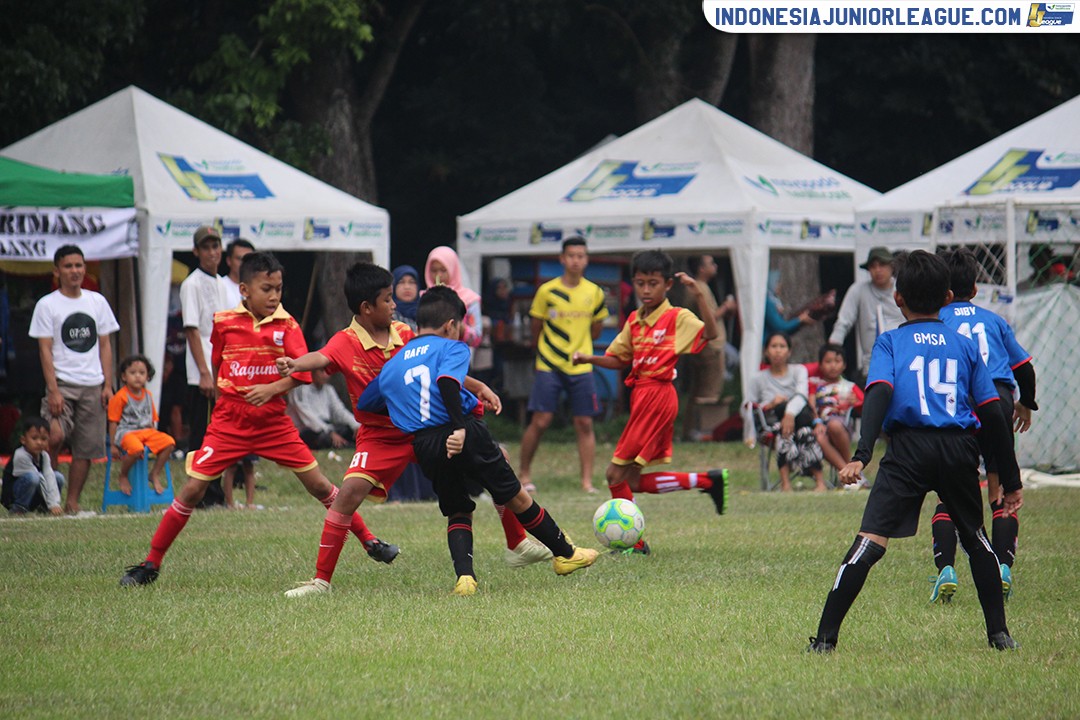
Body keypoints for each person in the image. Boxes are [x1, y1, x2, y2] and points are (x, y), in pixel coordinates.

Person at [119, 252, 394, 587]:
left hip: (274, 425)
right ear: (245, 290)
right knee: (192, 489)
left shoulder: (288, 325)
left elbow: (302, 374)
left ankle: (369, 541)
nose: (275, 295)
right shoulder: (223, 322)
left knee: (321, 486)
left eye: (278, 288)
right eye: (267, 288)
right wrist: (223, 405)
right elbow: (221, 365)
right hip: (229, 424)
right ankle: (151, 563)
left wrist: (271, 389)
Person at [281, 263, 548, 598]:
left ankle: (517, 543)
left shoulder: (404, 334)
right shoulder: (345, 342)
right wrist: (294, 363)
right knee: (348, 494)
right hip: (379, 436)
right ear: (366, 308)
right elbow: (319, 358)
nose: (394, 305)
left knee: (498, 458)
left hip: (424, 429)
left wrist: (478, 385)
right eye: (388, 299)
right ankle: (321, 581)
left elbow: (440, 368)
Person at [808, 249, 1023, 654]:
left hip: (907, 450)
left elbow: (879, 393)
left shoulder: (890, 343)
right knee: (976, 540)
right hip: (958, 449)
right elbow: (995, 413)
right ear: (947, 296)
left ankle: (824, 640)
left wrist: (862, 453)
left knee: (869, 542)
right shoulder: (963, 345)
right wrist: (1010, 480)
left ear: (897, 298)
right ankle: (999, 635)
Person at [358, 286, 599, 595]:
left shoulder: (393, 364)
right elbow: (447, 380)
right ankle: (566, 555)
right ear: (451, 325)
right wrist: (458, 427)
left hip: (425, 444)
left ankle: (465, 579)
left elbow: (366, 403)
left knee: (458, 509)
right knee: (515, 496)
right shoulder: (452, 348)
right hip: (464, 433)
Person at [572, 250, 730, 554]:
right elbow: (620, 360)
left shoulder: (676, 317)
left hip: (657, 397)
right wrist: (588, 358)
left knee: (613, 475)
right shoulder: (634, 320)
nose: (646, 290)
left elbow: (710, 333)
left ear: (668, 285)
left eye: (653, 283)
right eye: (641, 283)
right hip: (642, 397)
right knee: (633, 481)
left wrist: (698, 294)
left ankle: (634, 543)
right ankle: (707, 480)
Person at [927, 248, 1037, 603]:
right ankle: (1002, 567)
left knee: (950, 492)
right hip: (1000, 402)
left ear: (941, 289)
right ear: (975, 288)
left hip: (959, 406)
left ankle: (946, 568)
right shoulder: (993, 320)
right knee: (1001, 488)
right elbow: (1024, 369)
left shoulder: (934, 323)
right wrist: (1026, 402)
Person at [30, 244, 118, 514]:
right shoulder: (47, 304)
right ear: (57, 271)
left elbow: (105, 345)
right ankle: (50, 495)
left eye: (79, 265)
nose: (75, 271)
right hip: (63, 383)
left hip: (93, 384)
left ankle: (72, 502)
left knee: (86, 447)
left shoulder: (97, 301)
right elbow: (45, 349)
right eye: (68, 266)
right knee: (53, 436)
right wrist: (53, 389)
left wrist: (108, 384)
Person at [519, 237, 608, 494]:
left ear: (587, 259)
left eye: (581, 256)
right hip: (549, 364)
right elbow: (536, 326)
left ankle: (587, 482)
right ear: (562, 259)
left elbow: (596, 329)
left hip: (582, 366)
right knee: (541, 420)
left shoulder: (595, 292)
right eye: (571, 255)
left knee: (585, 423)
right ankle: (524, 474)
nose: (576, 260)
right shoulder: (547, 291)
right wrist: (543, 353)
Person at [748, 333, 826, 492]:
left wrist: (789, 413)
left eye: (782, 346)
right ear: (766, 351)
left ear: (789, 351)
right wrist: (770, 404)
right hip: (772, 421)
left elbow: (802, 395)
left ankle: (808, 483)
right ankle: (807, 482)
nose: (778, 351)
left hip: (799, 418)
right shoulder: (757, 378)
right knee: (788, 421)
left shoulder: (799, 371)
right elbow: (749, 405)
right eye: (774, 346)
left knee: (802, 426)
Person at [180, 226, 228, 457]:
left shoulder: (222, 283)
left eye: (215, 246)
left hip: (222, 366)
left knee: (220, 431)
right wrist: (204, 372)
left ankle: (215, 491)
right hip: (203, 370)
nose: (212, 252)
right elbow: (192, 329)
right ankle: (199, 490)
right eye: (206, 248)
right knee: (202, 434)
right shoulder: (192, 284)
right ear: (196, 251)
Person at [828, 246, 906, 382]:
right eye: (873, 266)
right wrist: (833, 349)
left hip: (903, 363)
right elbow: (843, 322)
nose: (878, 270)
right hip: (871, 366)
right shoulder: (858, 290)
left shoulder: (903, 288)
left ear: (892, 267)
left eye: (882, 265)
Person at [219, 238, 258, 507]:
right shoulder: (221, 287)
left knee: (251, 458)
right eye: (239, 258)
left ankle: (251, 500)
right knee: (231, 456)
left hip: (255, 376)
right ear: (229, 260)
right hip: (232, 377)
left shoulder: (262, 291)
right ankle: (229, 500)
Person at [683, 254, 737, 440]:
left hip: (699, 344)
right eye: (711, 263)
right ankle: (707, 433)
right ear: (701, 269)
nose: (715, 266)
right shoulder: (699, 288)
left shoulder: (698, 287)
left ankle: (689, 432)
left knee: (696, 391)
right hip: (710, 346)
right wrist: (726, 306)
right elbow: (710, 317)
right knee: (710, 391)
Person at [107, 354, 176, 495]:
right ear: (124, 377)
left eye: (142, 373)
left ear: (148, 377)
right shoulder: (120, 396)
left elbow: (151, 421)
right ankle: (123, 475)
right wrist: (113, 445)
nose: (137, 376)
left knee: (169, 442)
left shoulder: (148, 395)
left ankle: (154, 474)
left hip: (146, 432)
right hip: (127, 432)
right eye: (133, 373)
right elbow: (113, 422)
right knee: (137, 449)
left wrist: (155, 439)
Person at [809, 343, 864, 479]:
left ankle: (851, 473)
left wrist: (855, 402)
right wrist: (817, 422)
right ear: (820, 365)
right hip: (821, 426)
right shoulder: (815, 386)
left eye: (837, 361)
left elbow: (866, 407)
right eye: (828, 361)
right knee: (820, 438)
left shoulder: (850, 386)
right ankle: (851, 475)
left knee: (834, 425)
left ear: (844, 365)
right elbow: (811, 407)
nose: (833, 365)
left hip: (842, 426)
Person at [1, 417, 64, 516]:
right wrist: (52, 504)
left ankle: (44, 508)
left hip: (33, 492)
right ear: (23, 440)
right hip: (13, 496)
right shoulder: (20, 455)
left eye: (44, 439)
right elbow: (40, 480)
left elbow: (49, 476)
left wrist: (54, 503)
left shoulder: (44, 455)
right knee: (33, 477)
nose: (39, 442)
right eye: (34, 438)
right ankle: (19, 508)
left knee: (58, 477)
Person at [287, 367, 360, 449]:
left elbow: (340, 411)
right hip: (308, 430)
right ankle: (344, 445)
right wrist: (329, 432)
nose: (326, 375)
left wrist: (356, 425)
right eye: (322, 371)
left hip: (326, 426)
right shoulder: (300, 389)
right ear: (312, 372)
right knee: (322, 437)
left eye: (328, 372)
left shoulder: (328, 389)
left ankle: (345, 443)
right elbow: (308, 418)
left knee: (348, 429)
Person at [424, 246, 482, 348]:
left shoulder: (469, 299)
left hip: (458, 358)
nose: (438, 275)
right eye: (434, 271)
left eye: (443, 270)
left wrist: (459, 326)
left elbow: (477, 337)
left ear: (453, 269)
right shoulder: (423, 298)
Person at [764, 269, 814, 341]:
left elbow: (784, 331)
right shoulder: (768, 302)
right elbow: (780, 327)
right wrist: (799, 319)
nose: (779, 285)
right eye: (776, 282)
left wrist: (800, 322)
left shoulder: (774, 301)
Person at [221, 238, 255, 308]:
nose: (244, 263)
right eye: (239, 259)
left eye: (248, 260)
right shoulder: (220, 286)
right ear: (229, 260)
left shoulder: (258, 288)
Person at [391, 265, 420, 331]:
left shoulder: (425, 312)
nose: (407, 287)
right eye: (401, 282)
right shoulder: (389, 315)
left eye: (412, 282)